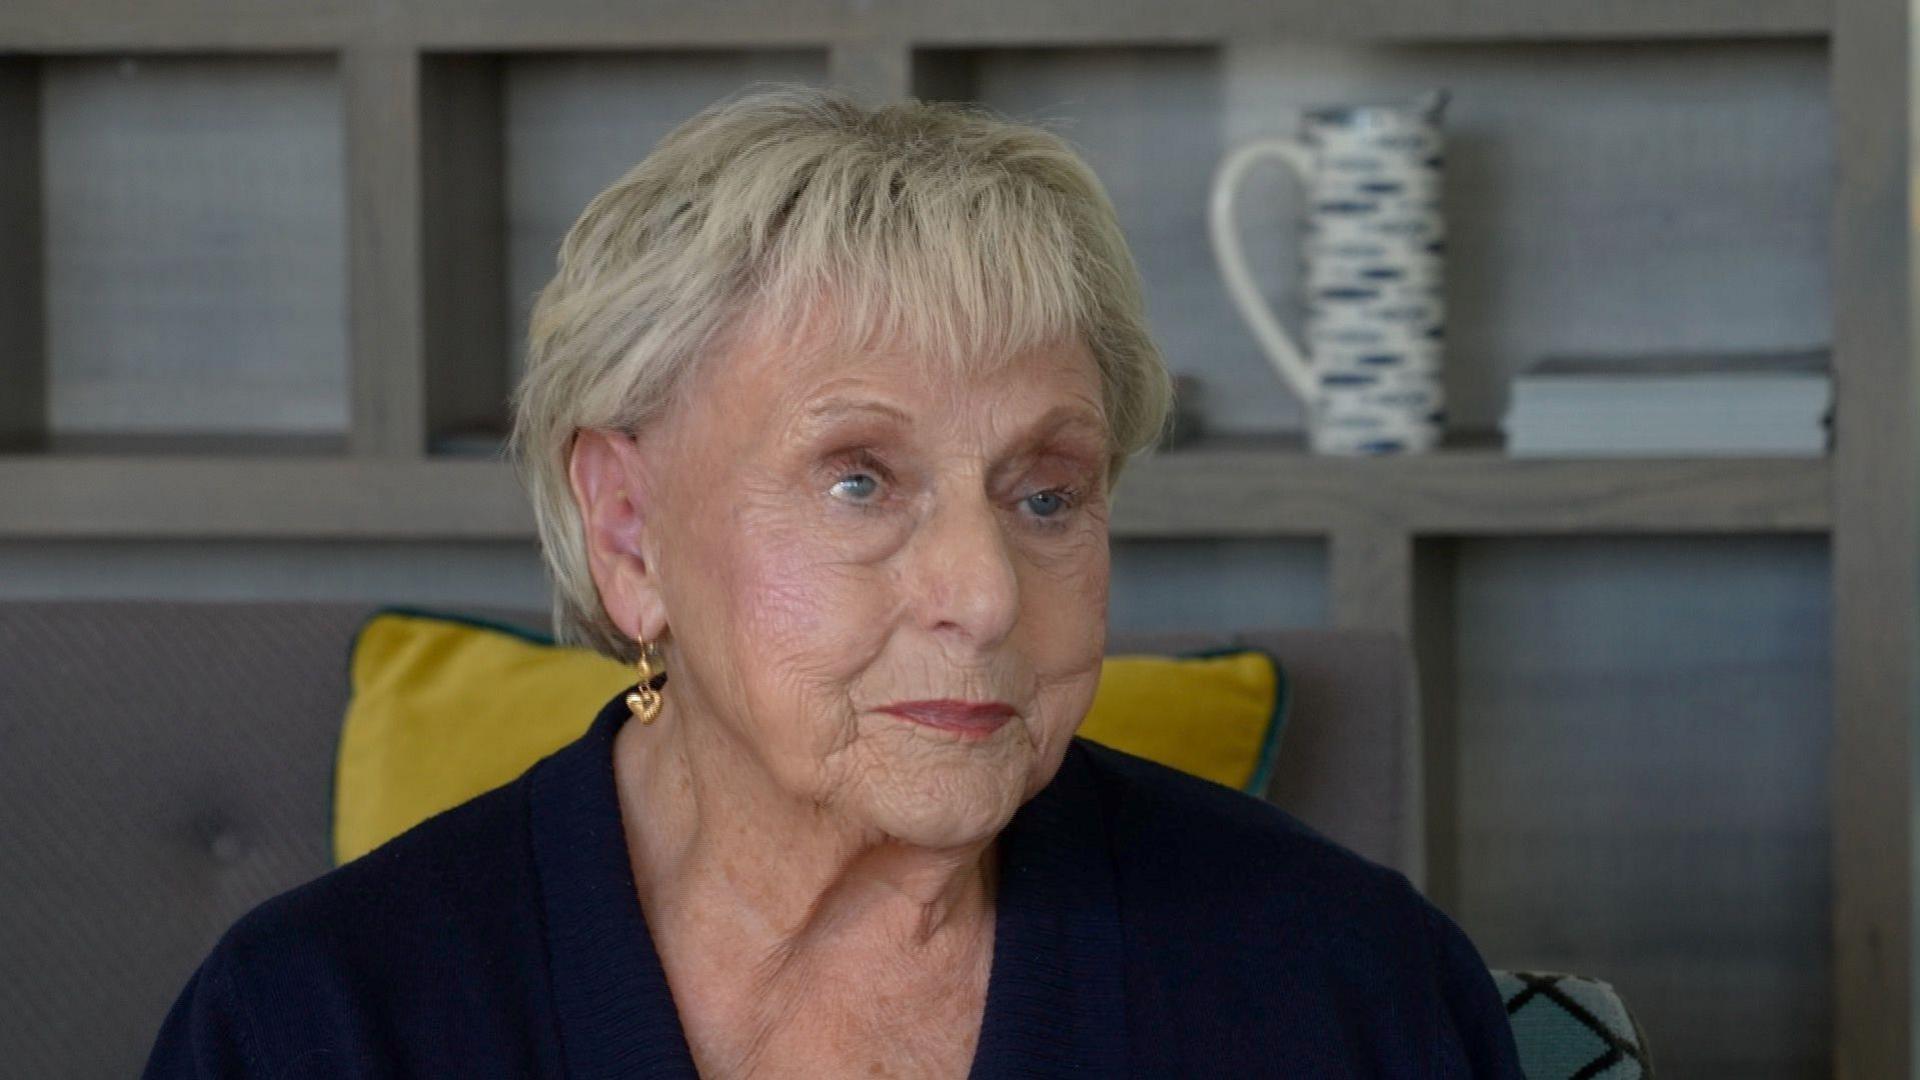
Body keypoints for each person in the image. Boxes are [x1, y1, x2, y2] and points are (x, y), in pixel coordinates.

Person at [143, 83, 1523, 1078]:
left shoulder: (1348, 991)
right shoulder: (315, 1024)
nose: (984, 596)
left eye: (1046, 495)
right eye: (859, 478)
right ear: (628, 531)